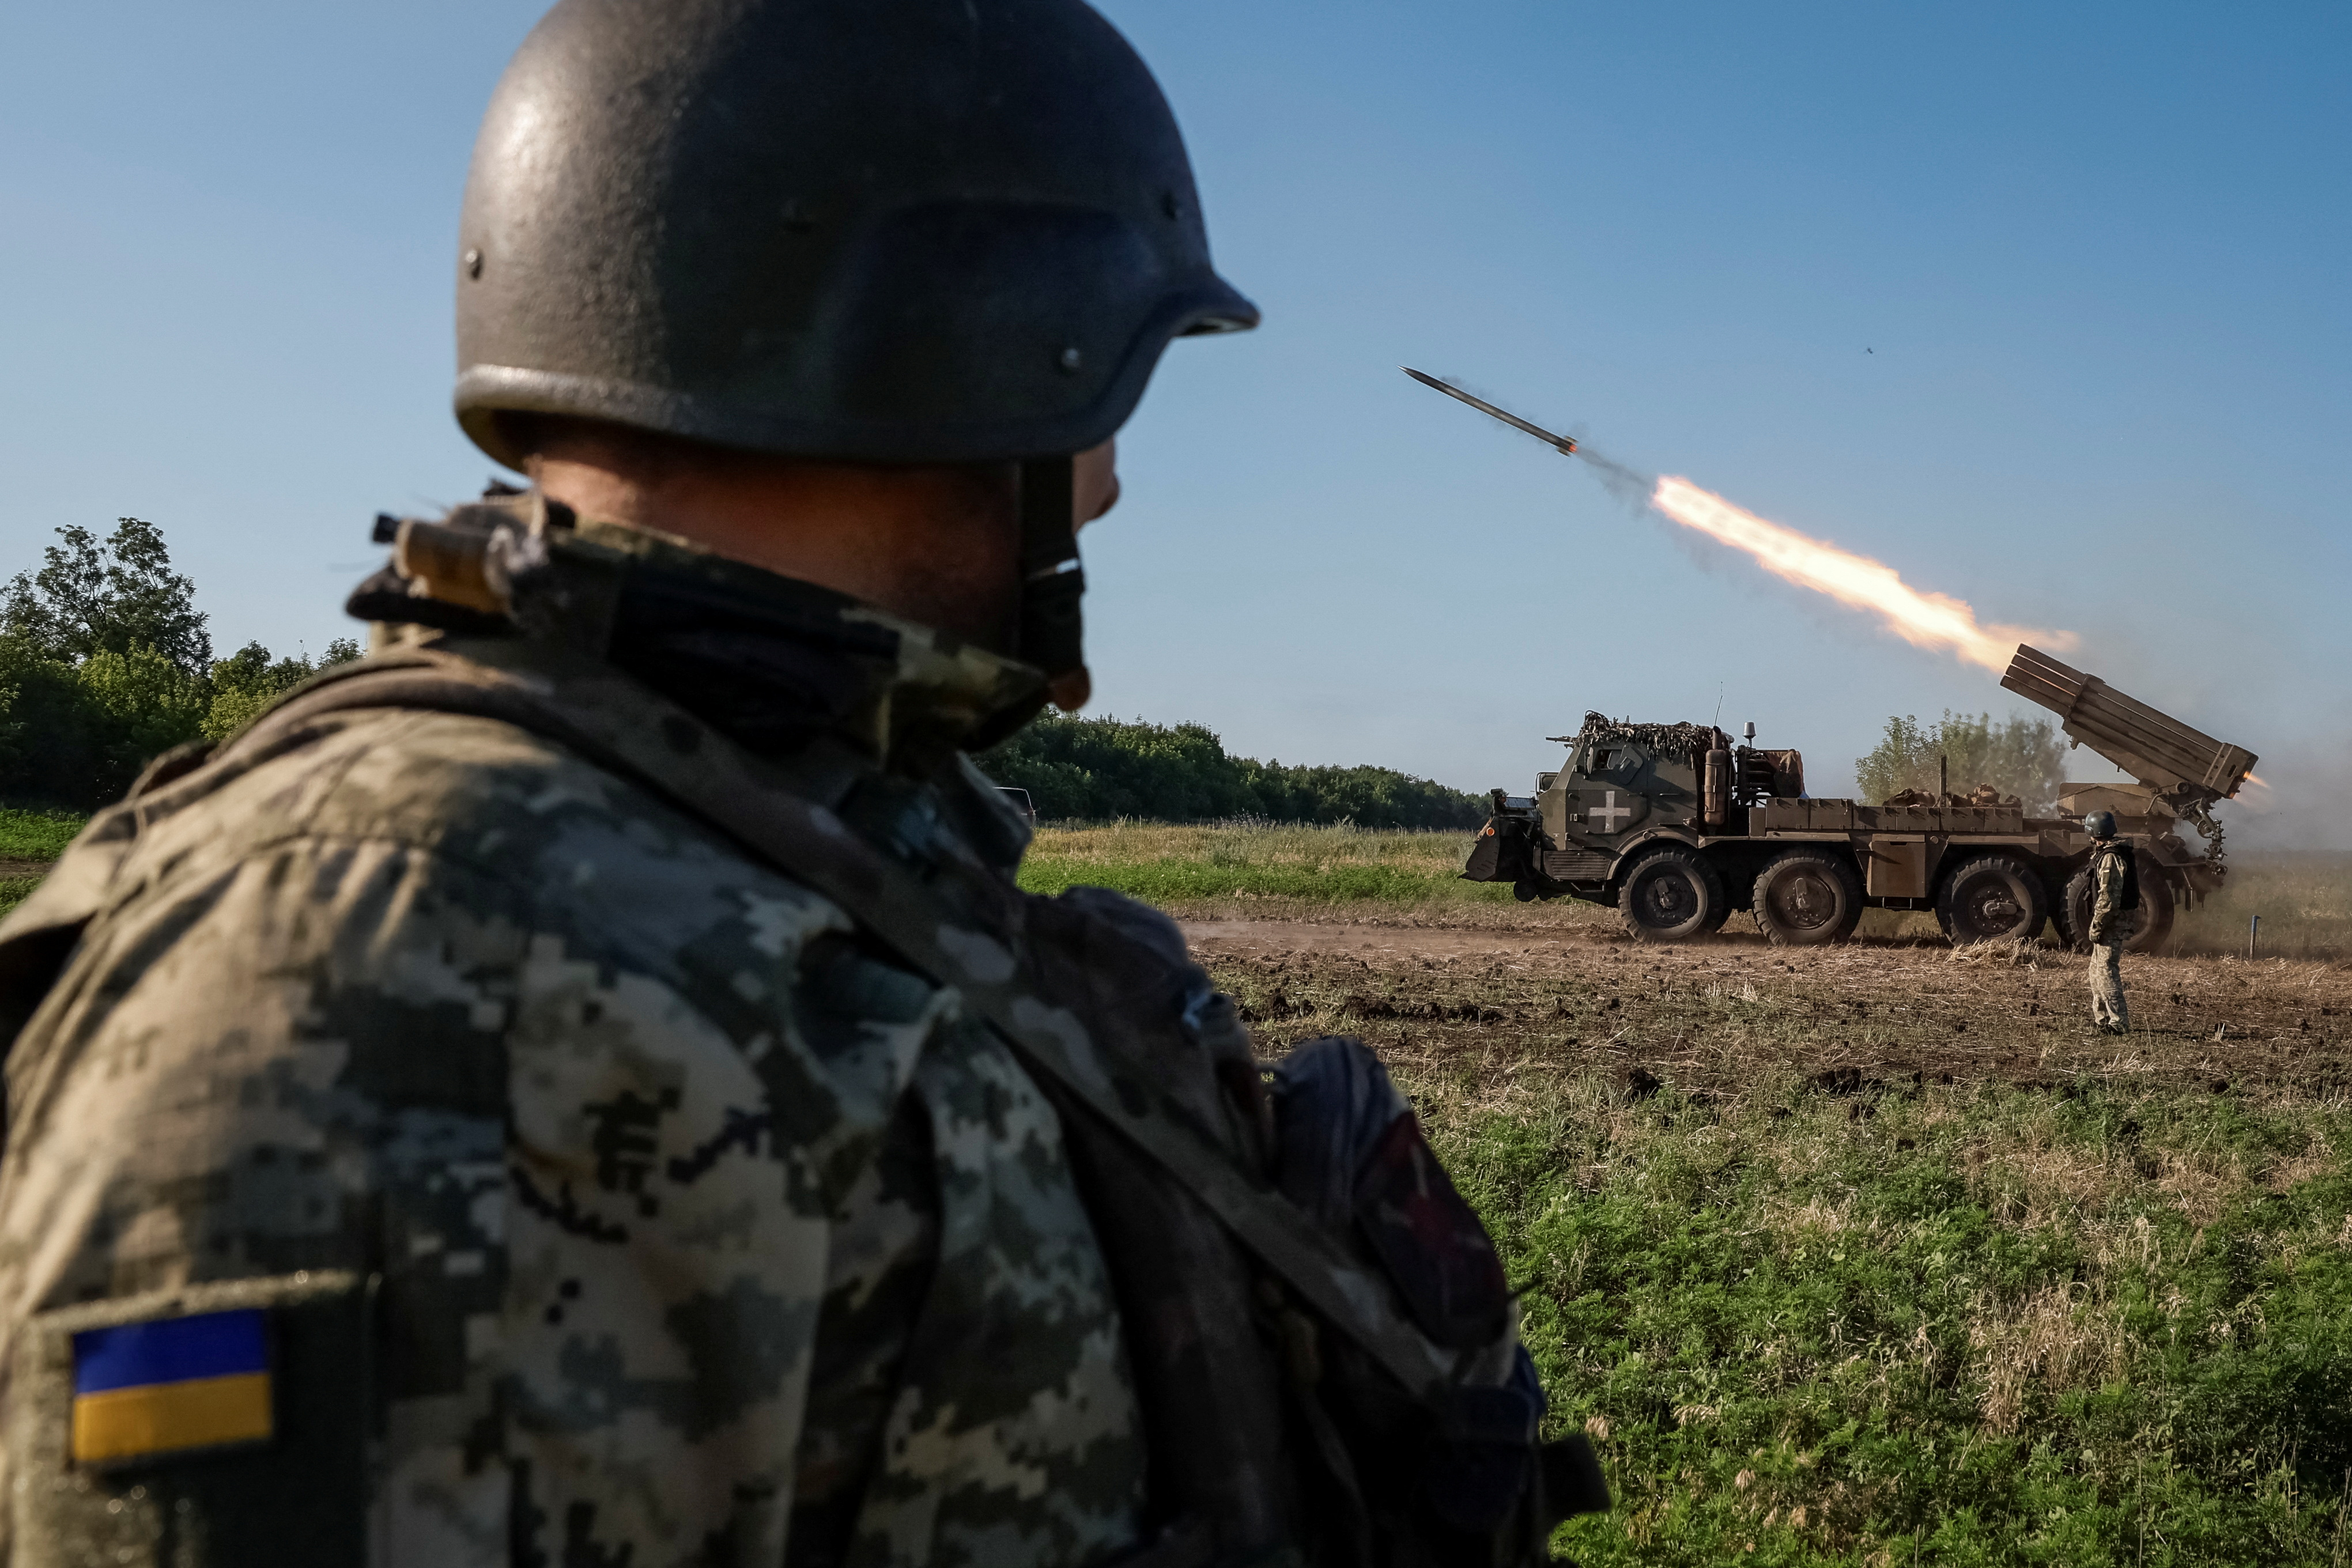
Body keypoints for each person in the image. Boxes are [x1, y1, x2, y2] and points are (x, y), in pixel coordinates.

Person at [0, 4, 1595, 1565]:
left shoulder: (771, 840)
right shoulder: (370, 978)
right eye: (1112, 385)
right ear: (957, 342)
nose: (1112, 478)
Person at [2083, 811, 2136, 1033]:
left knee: (2106, 971)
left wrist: (2097, 925)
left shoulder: (2110, 857)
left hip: (2111, 922)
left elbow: (2109, 897)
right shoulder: (2106, 853)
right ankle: (2102, 1019)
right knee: (2096, 972)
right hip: (2108, 921)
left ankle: (2119, 1023)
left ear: (2094, 832)